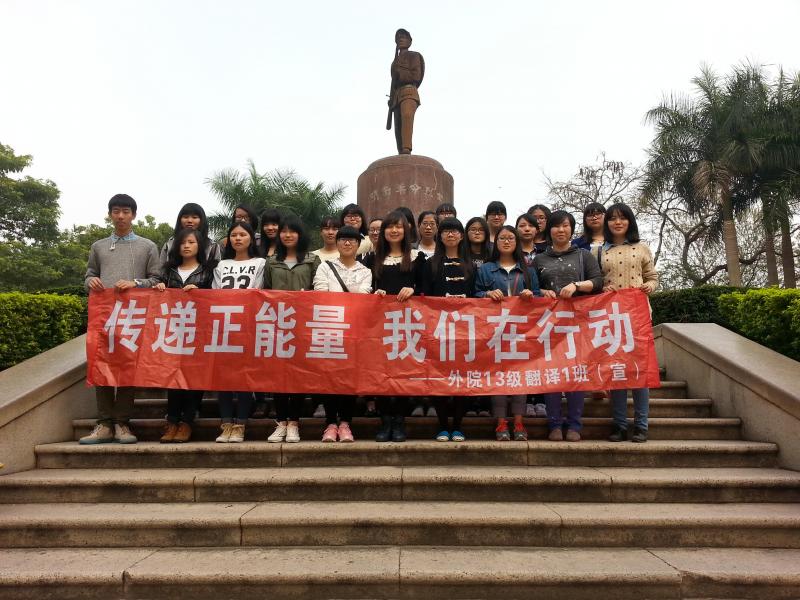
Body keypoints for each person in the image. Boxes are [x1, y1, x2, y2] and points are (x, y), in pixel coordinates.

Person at [80, 194, 160, 445]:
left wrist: (135, 283)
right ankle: (104, 424)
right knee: (101, 365)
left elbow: (157, 280)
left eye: (126, 211)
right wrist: (90, 281)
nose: (121, 216)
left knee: (127, 367)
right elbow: (89, 275)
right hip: (104, 316)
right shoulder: (99, 246)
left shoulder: (148, 246)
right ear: (110, 214)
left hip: (133, 317)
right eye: (116, 211)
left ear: (134, 215)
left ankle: (122, 423)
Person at [534, 210, 604, 442]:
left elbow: (598, 281)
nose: (561, 230)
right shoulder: (539, 259)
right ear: (549, 230)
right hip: (549, 325)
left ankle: (574, 424)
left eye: (565, 225)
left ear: (572, 229)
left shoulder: (584, 256)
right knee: (552, 374)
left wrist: (576, 285)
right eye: (556, 226)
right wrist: (541, 291)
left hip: (578, 323)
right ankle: (554, 424)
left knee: (576, 373)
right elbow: (531, 287)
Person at [475, 225, 541, 442]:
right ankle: (501, 422)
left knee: (520, 377)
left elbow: (539, 297)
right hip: (494, 332)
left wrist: (531, 295)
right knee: (498, 377)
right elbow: (475, 294)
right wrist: (487, 294)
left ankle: (519, 421)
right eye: (502, 238)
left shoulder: (528, 270)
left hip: (522, 331)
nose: (506, 241)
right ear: (496, 243)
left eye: (510, 238)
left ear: (517, 242)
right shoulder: (485, 269)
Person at [363, 211, 425, 442]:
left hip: (407, 325)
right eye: (390, 226)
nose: (394, 230)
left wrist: (414, 290)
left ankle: (399, 420)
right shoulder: (371, 259)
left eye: (399, 226)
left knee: (402, 373)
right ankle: (385, 420)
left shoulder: (417, 258)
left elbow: (426, 288)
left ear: (406, 230)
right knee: (380, 373)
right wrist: (373, 292)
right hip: (379, 325)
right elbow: (364, 288)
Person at [601, 203, 659, 444]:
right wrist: (603, 288)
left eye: (622, 218)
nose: (617, 222)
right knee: (617, 371)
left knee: (640, 372)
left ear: (629, 222)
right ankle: (619, 424)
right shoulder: (599, 250)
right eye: (613, 218)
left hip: (638, 315)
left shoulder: (642, 247)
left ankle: (641, 426)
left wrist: (649, 286)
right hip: (611, 315)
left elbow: (652, 276)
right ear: (607, 223)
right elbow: (596, 280)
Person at [154, 228, 217, 443]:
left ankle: (187, 422)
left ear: (200, 246)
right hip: (173, 332)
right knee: (173, 377)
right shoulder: (168, 271)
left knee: (195, 377)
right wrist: (159, 287)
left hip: (199, 332)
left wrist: (200, 291)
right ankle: (172, 421)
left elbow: (216, 297)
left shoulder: (208, 271)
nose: (186, 246)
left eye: (191, 242)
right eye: (182, 243)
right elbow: (154, 290)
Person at [312, 225, 373, 442]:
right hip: (329, 329)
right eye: (343, 239)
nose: (347, 243)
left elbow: (364, 297)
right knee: (329, 377)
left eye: (352, 240)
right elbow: (321, 293)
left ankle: (345, 423)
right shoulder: (325, 267)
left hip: (354, 331)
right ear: (336, 243)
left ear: (358, 244)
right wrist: (348, 298)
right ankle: (330, 423)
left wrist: (341, 298)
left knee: (349, 377)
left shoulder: (365, 271)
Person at [265, 216, 321, 444]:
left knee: (298, 374)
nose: (287, 235)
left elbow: (319, 290)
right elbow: (265, 290)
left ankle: (294, 422)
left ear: (300, 234)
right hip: (277, 324)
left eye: (293, 231)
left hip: (303, 324)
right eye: (284, 231)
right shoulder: (271, 261)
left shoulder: (312, 259)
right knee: (278, 375)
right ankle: (281, 422)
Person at [420, 218, 474, 442]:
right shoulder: (430, 264)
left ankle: (458, 425)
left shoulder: (471, 265)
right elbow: (424, 295)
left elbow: (476, 296)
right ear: (440, 236)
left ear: (461, 235)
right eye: (446, 231)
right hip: (438, 328)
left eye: (454, 231)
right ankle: (443, 425)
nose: (450, 234)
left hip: (466, 330)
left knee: (462, 377)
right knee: (439, 376)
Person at [213, 221, 266, 443]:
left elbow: (260, 291)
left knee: (244, 376)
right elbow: (215, 293)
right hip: (224, 325)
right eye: (234, 235)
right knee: (223, 378)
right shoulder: (221, 265)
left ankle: (240, 425)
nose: (237, 238)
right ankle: (226, 424)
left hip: (249, 325)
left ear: (251, 238)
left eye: (242, 234)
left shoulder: (261, 263)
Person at [515, 213, 547, 418]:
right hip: (515, 316)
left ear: (538, 229)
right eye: (522, 225)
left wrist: (541, 293)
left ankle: (540, 399)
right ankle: (525, 400)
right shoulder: (511, 252)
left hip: (541, 313)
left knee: (539, 355)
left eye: (531, 225)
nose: (526, 229)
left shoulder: (545, 253)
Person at [388, 28, 424, 154]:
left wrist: (401, 72)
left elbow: (416, 76)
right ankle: (401, 153)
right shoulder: (394, 63)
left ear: (410, 41)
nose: (401, 39)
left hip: (409, 91)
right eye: (398, 38)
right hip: (397, 96)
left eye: (403, 37)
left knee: (407, 116)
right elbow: (394, 83)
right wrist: (391, 98)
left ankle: (406, 148)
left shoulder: (414, 56)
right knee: (398, 128)